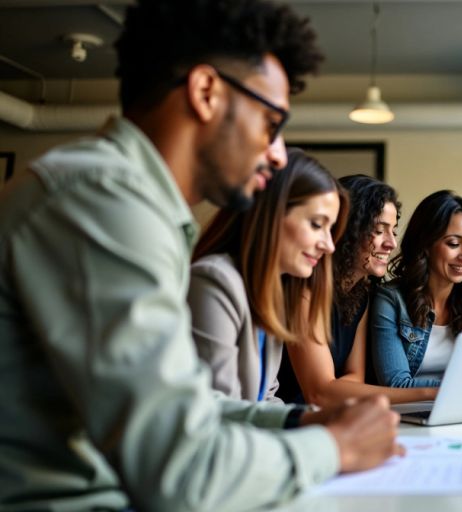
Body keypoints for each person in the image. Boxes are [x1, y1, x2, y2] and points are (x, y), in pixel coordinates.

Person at [0, 1, 401, 509]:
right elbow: (181, 473)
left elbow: (188, 408)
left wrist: (299, 420)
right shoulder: (104, 198)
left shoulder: (132, 202)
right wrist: (333, 448)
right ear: (206, 92)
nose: (278, 153)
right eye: (270, 122)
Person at [188, 149, 344, 402]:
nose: (329, 245)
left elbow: (265, 399)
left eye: (330, 228)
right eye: (317, 224)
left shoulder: (273, 292)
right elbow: (219, 413)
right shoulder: (213, 282)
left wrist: (328, 421)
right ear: (271, 215)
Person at [280, 174, 439, 403]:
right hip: (291, 423)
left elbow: (355, 376)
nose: (391, 243)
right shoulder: (304, 288)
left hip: (332, 416)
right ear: (347, 229)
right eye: (379, 230)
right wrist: (429, 394)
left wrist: (336, 389)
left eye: (393, 231)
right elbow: (319, 391)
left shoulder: (360, 293)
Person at [372, 190, 462, 387]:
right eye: (453, 243)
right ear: (426, 244)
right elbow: (396, 383)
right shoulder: (391, 299)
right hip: (407, 414)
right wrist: (458, 387)